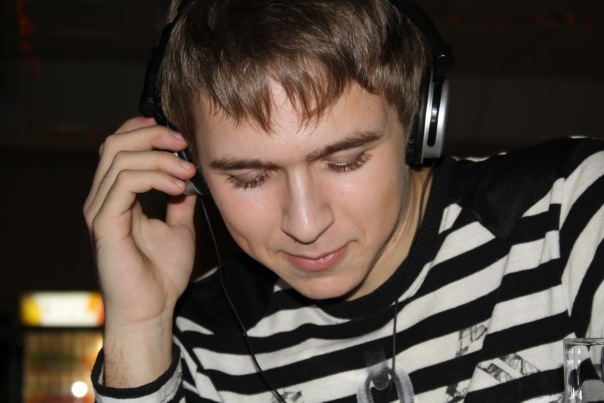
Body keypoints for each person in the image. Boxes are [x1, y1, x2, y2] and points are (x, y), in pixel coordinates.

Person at [83, 0, 604, 401]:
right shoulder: (201, 337)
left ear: (420, 123)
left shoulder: (570, 209)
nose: (306, 224)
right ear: (190, 168)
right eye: (249, 177)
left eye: (346, 161)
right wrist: (139, 327)